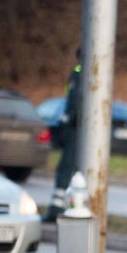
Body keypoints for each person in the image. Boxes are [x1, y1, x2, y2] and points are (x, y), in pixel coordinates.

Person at [51, 48, 82, 220]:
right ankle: (72, 206)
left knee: (66, 168)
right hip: (83, 129)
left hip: (75, 128)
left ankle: (56, 209)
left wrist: (68, 119)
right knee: (77, 170)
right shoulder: (94, 72)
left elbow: (73, 101)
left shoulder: (78, 73)